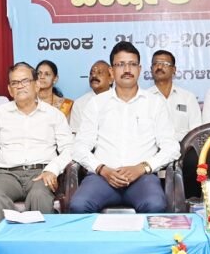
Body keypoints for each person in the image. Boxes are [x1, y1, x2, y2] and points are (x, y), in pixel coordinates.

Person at [71, 41, 179, 213]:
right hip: (103, 177)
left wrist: (142, 168)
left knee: (155, 204)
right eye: (121, 64)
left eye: (132, 64)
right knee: (79, 205)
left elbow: (172, 148)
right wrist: (102, 169)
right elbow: (79, 147)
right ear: (112, 71)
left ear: (139, 69)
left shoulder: (155, 103)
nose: (127, 69)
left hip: (142, 178)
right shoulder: (97, 103)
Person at [0, 62, 73, 229]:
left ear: (36, 85)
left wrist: (52, 169)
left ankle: (37, 244)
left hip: (41, 173)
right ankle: (8, 243)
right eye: (15, 83)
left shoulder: (54, 115)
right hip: (7, 175)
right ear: (10, 90)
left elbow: (69, 149)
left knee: (39, 195)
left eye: (25, 81)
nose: (20, 86)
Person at [147, 49, 201, 141]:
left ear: (174, 69)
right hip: (154, 147)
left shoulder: (188, 97)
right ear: (151, 69)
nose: (159, 67)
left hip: (184, 147)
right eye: (155, 64)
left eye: (165, 64)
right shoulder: (145, 98)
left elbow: (196, 131)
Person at [69, 60, 113, 133]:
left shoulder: (120, 100)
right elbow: (75, 133)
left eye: (100, 72)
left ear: (111, 79)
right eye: (91, 73)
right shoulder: (79, 103)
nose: (94, 76)